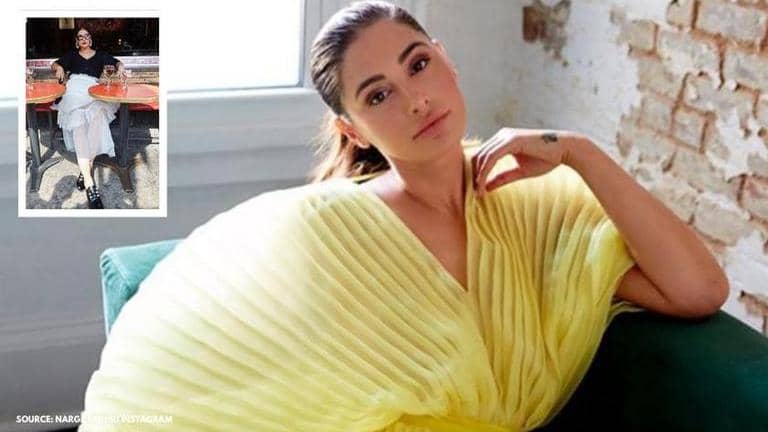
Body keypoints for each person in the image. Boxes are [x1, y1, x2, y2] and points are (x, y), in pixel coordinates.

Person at [77, 2, 729, 431]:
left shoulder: (535, 204)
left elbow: (698, 289)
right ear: (352, 129)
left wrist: (583, 154)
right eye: (378, 95)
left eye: (418, 64)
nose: (416, 99)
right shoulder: (335, 231)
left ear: (445, 57)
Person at [51, 26, 124, 209]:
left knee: (95, 126)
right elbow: (54, 64)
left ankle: (85, 172)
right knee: (79, 127)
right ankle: (91, 185)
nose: (83, 38)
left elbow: (116, 63)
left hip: (93, 91)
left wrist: (121, 66)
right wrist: (59, 67)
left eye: (86, 36)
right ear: (77, 41)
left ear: (90, 39)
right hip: (73, 92)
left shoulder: (101, 55)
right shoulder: (72, 55)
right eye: (80, 36)